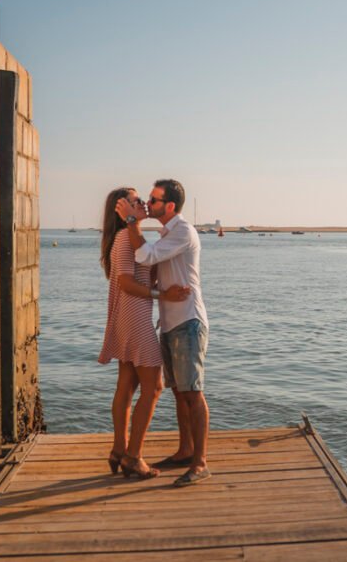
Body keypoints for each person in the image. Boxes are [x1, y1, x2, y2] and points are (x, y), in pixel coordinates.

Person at [115, 179, 211, 487]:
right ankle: (185, 451)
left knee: (193, 393)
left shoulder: (182, 231)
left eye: (154, 201)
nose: (149, 204)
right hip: (170, 323)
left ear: (170, 206)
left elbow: (144, 256)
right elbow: (156, 271)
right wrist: (159, 292)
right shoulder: (167, 233)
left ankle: (200, 462)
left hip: (188, 321)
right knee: (180, 392)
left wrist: (132, 221)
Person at [98, 187, 190, 480]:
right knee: (154, 387)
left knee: (127, 385)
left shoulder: (126, 237)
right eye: (137, 201)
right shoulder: (125, 237)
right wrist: (162, 294)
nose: (144, 204)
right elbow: (126, 282)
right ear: (122, 208)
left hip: (128, 316)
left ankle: (118, 450)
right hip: (135, 316)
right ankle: (133, 456)